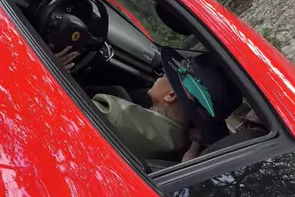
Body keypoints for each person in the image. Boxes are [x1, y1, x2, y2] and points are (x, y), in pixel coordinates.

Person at [92, 49, 242, 162]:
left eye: (167, 74)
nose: (161, 75)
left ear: (171, 95)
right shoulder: (183, 144)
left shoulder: (114, 115)